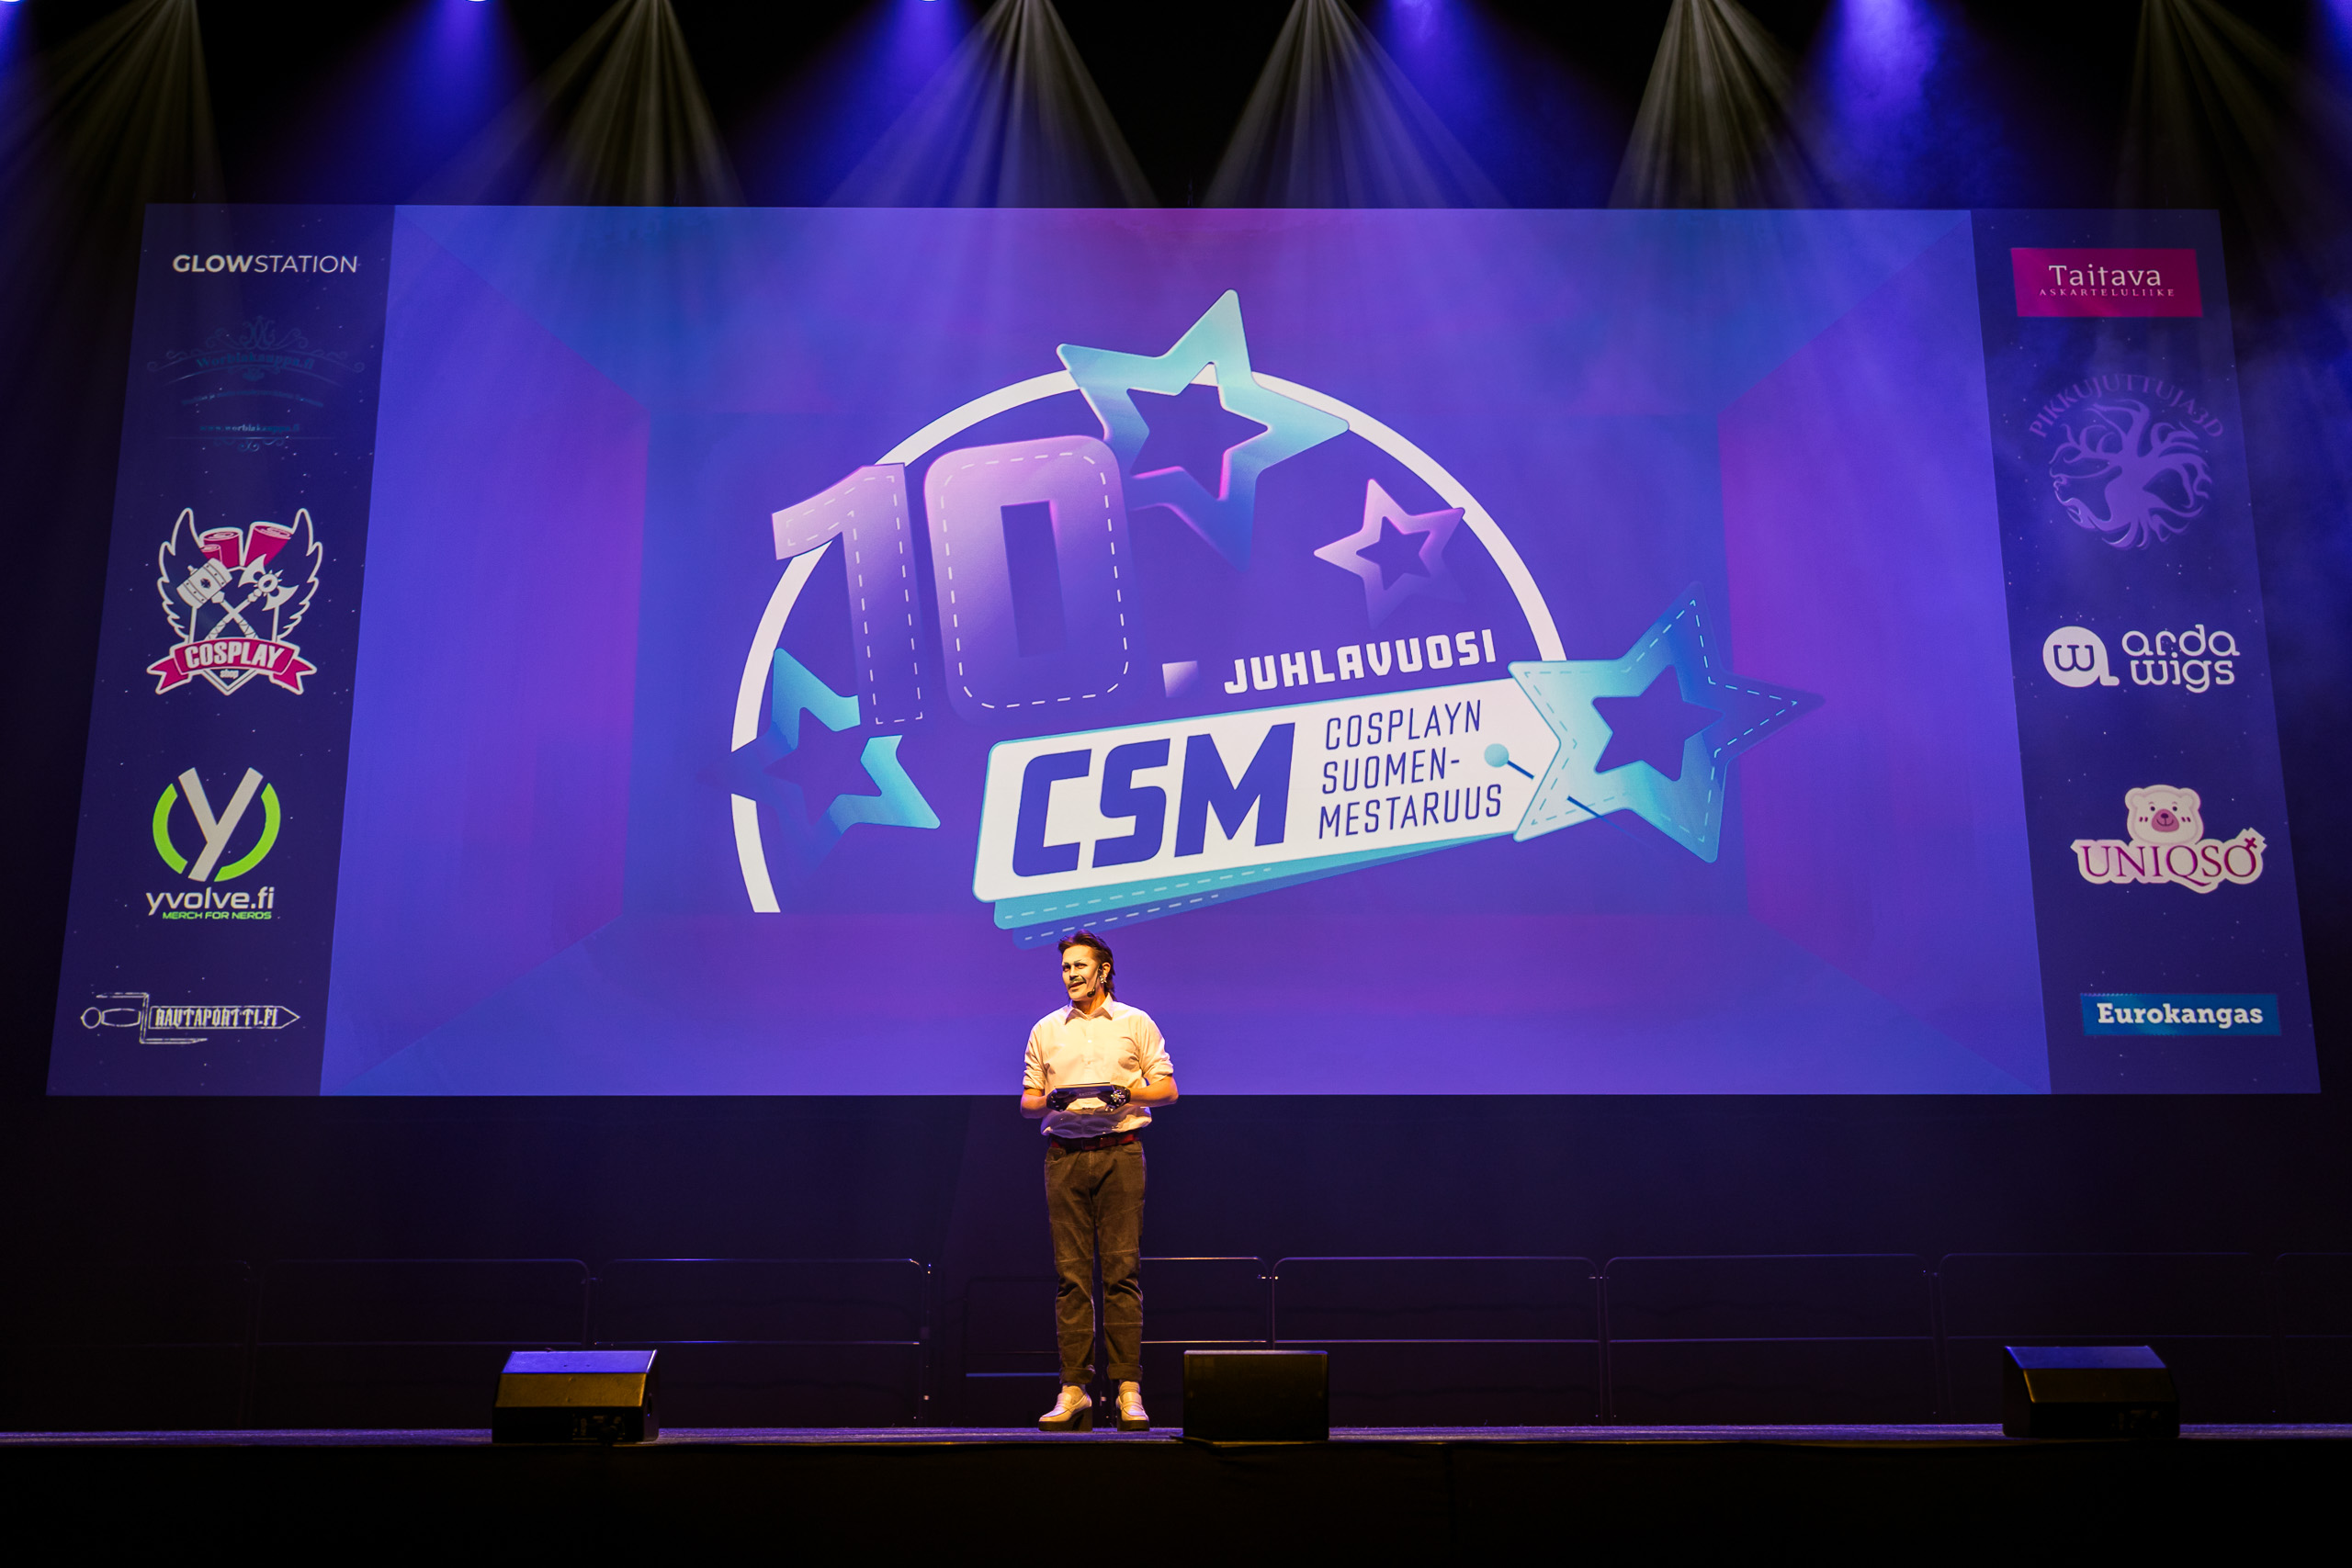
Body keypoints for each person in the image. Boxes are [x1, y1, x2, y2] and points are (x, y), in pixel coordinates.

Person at [1020, 930, 1177, 1432]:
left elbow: (1168, 1089)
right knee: (1070, 1279)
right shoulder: (1046, 1029)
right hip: (1064, 1157)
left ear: (1103, 970)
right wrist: (1051, 1100)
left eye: (1079, 966)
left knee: (1121, 1274)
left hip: (1120, 1153)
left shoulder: (1135, 1022)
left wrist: (1126, 1092)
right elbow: (1028, 1102)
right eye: (1066, 967)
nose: (1071, 975)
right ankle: (1074, 1390)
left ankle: (1128, 1389)